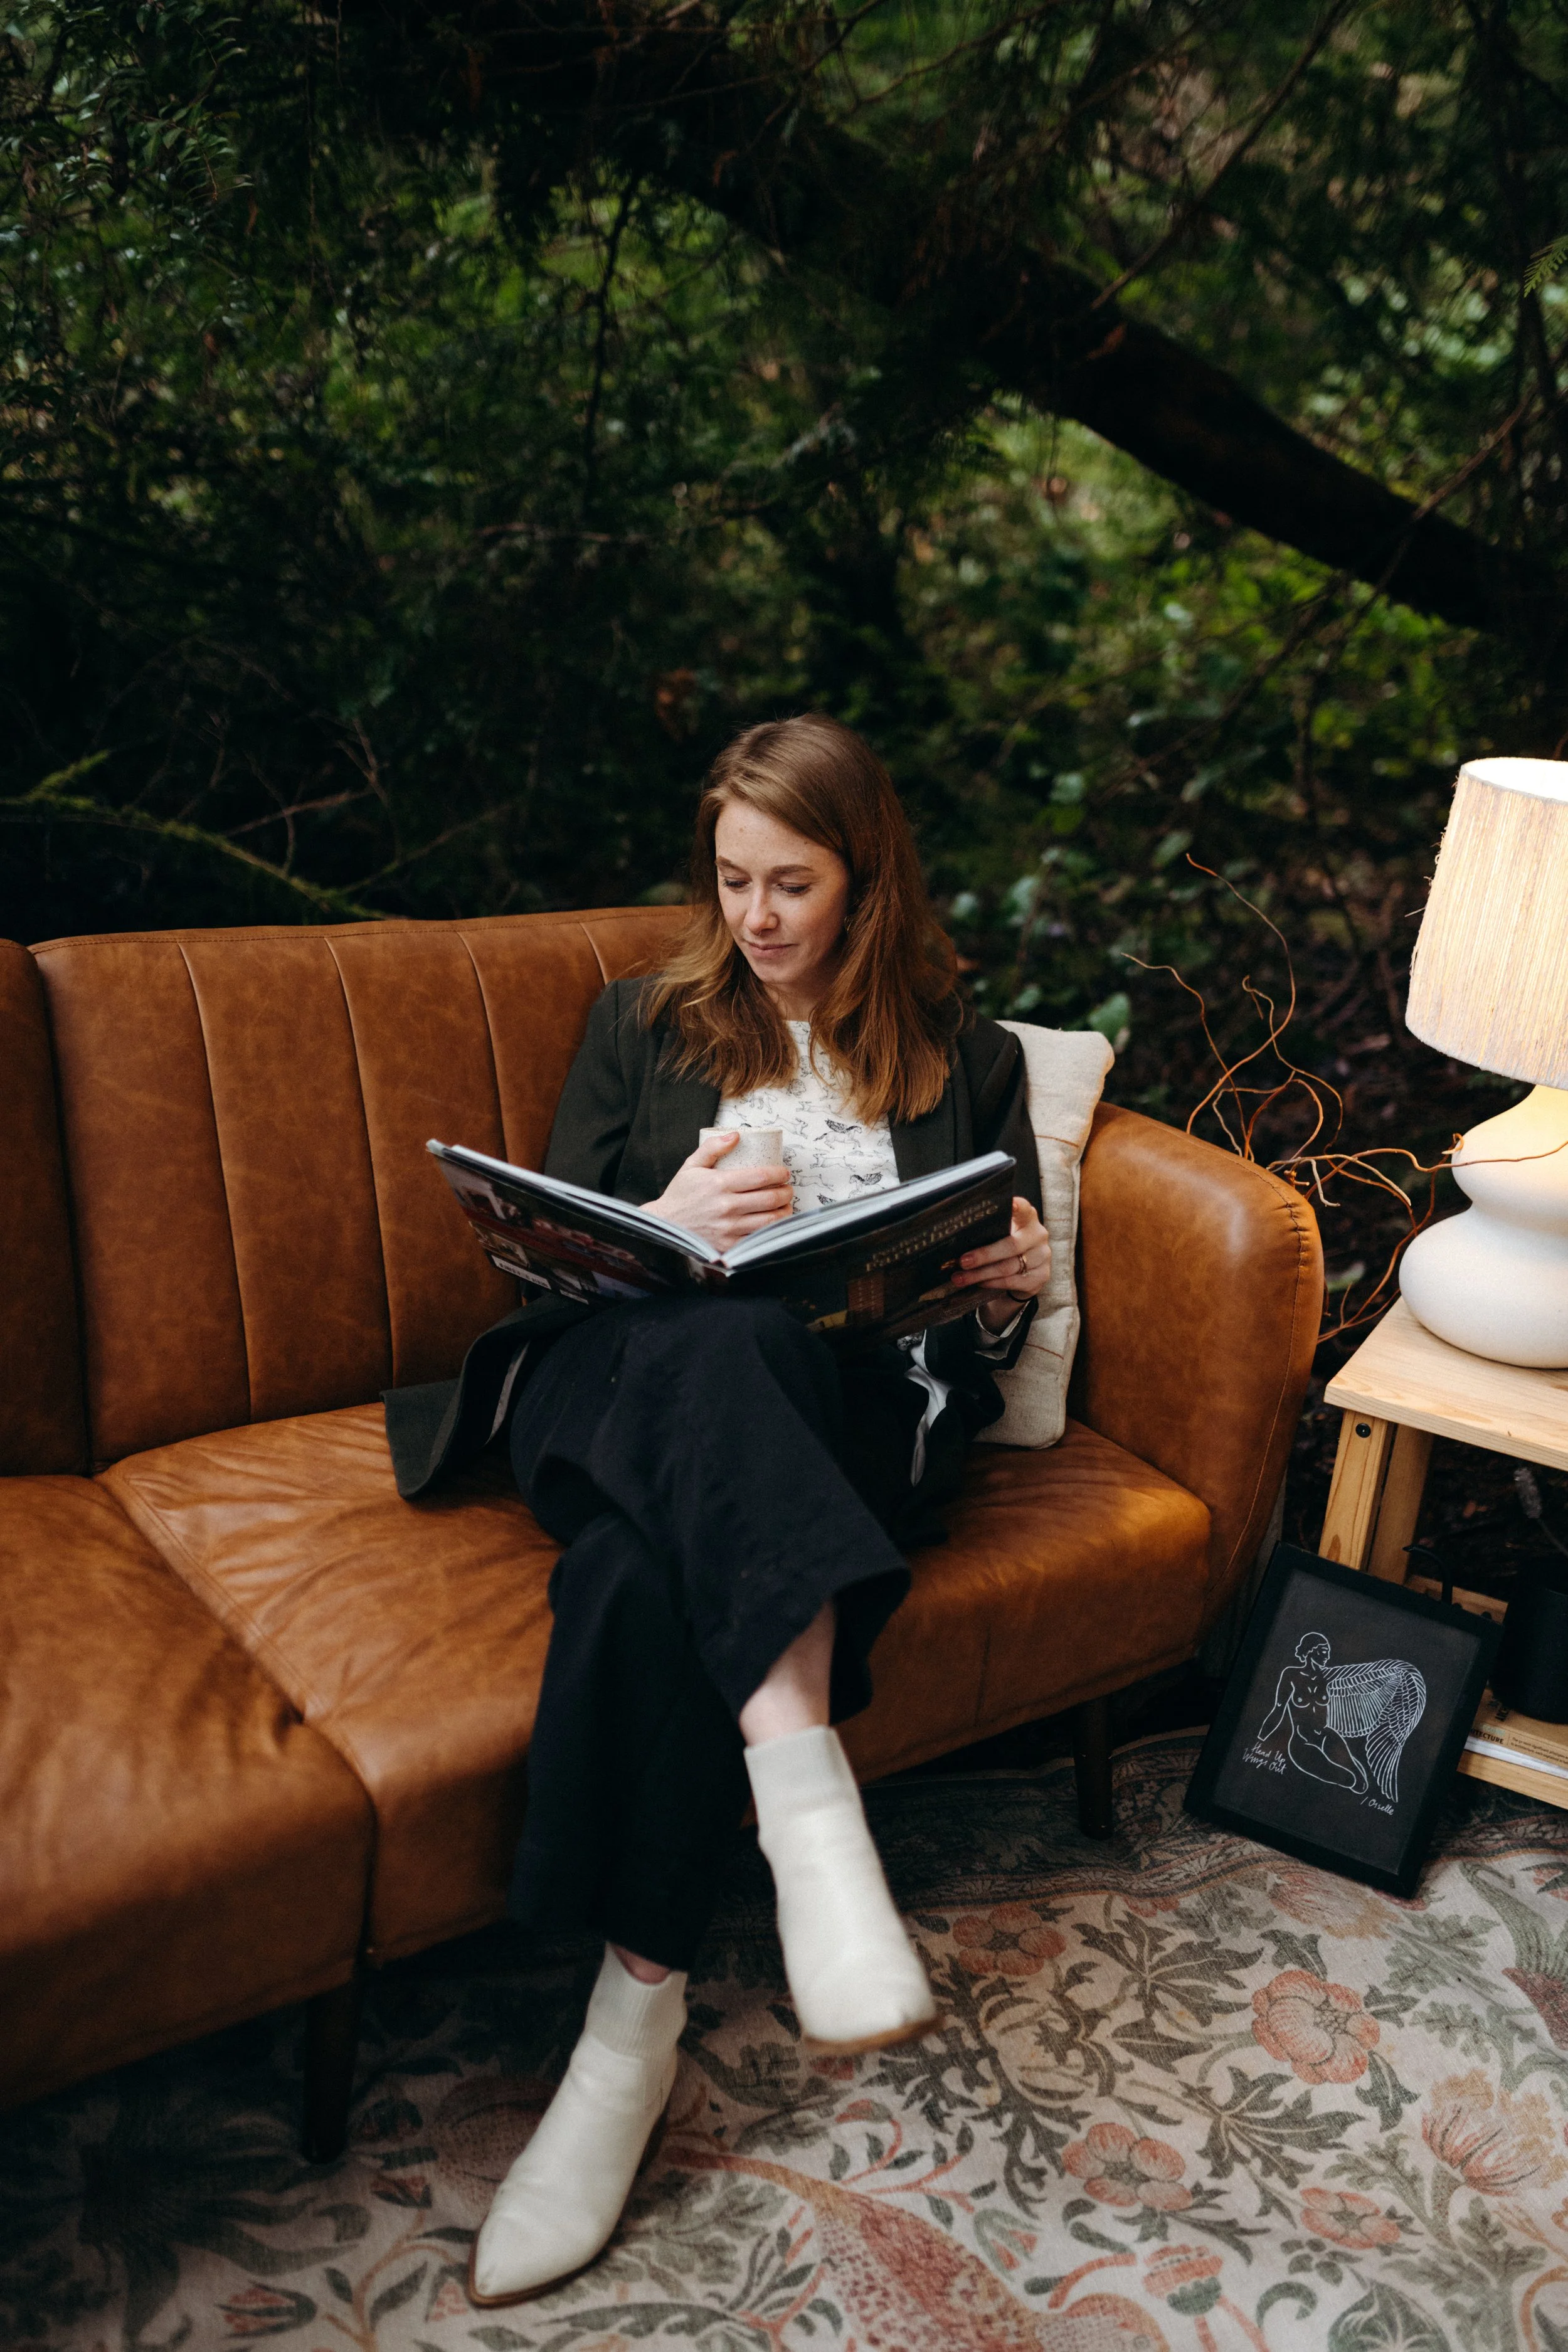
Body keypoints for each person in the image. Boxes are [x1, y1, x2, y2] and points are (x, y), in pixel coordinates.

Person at [383, 713, 1052, 2307]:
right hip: (613, 1393)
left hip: (840, 1422)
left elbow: (979, 1300)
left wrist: (1013, 1292)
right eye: (732, 879)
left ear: (865, 880)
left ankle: (626, 2036)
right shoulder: (641, 1022)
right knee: (719, 1332)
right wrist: (660, 1214)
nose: (754, 918)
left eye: (792, 884)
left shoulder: (970, 1054)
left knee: (637, 1575)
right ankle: (810, 1823)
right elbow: (553, 1254)